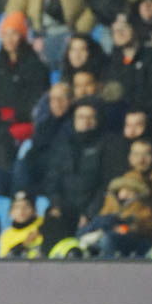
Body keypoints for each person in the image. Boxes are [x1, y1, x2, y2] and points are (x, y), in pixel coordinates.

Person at [43, 98, 114, 230]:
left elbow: (105, 185)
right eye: (81, 117)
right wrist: (57, 206)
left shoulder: (107, 145)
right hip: (63, 211)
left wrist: (88, 214)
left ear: (98, 120)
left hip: (92, 214)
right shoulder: (61, 145)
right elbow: (52, 180)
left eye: (90, 117)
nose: (85, 122)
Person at [102, 14, 152, 134]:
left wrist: (140, 114)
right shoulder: (111, 62)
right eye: (115, 31)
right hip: (119, 124)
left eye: (124, 28)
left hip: (150, 124)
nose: (119, 33)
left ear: (135, 29)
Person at [0, 11, 50, 144]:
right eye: (5, 35)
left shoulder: (35, 66)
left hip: (24, 122)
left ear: (22, 36)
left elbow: (38, 100)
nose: (9, 39)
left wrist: (15, 114)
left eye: (14, 34)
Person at [15, 81, 73, 194]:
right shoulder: (44, 124)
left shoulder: (77, 122)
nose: (57, 103)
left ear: (71, 100)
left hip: (62, 173)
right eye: (53, 99)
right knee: (22, 163)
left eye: (62, 98)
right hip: (42, 171)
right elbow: (35, 150)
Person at [0, 191, 45, 258]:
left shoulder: (43, 223)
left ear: (34, 210)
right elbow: (5, 259)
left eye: (26, 206)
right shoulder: (7, 235)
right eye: (17, 207)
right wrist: (24, 243)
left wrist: (41, 230)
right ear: (11, 212)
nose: (21, 211)